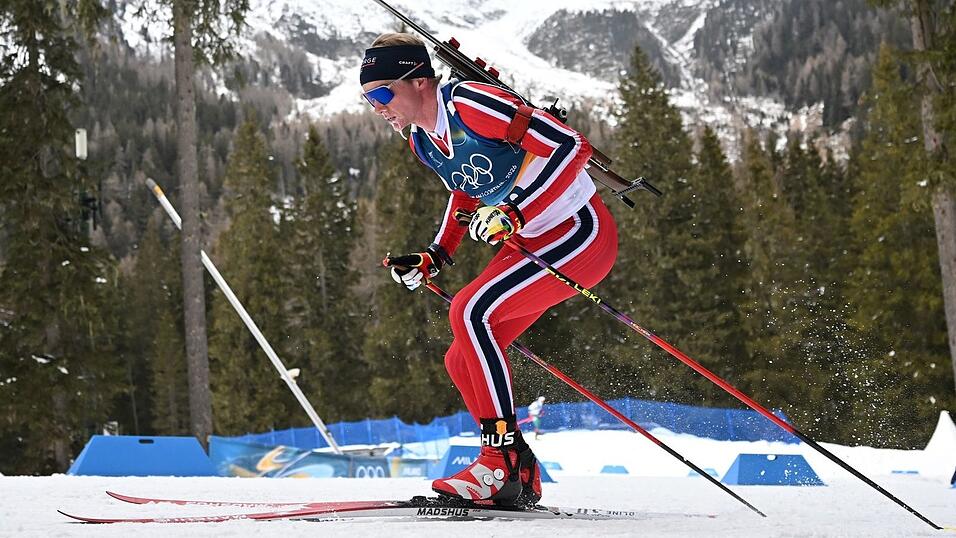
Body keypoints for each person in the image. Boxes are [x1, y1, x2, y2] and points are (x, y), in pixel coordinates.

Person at [362, 33, 618, 507]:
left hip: (577, 231)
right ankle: (517, 466)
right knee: (460, 357)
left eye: (381, 93)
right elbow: (466, 188)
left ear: (418, 81)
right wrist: (436, 254)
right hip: (530, 240)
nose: (376, 106)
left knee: (470, 311)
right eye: (367, 98)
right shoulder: (422, 140)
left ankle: (496, 462)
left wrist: (518, 211)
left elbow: (570, 145)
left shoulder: (470, 103)